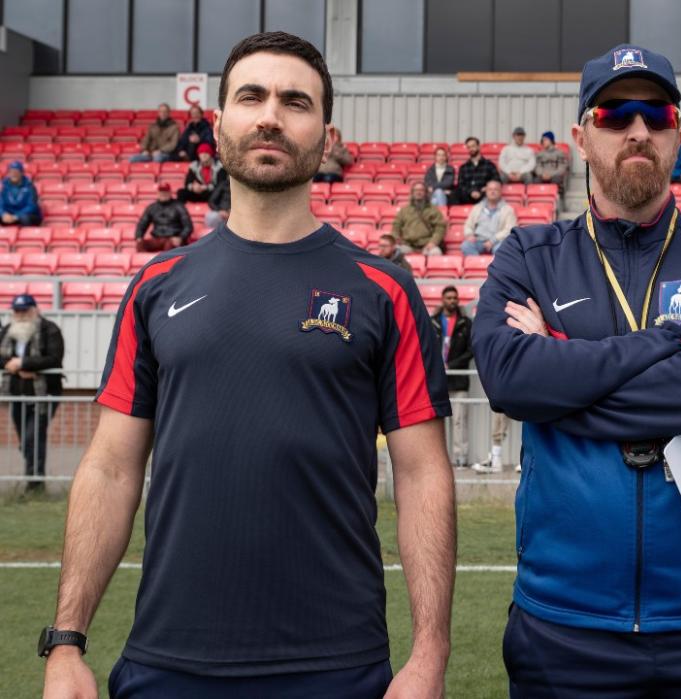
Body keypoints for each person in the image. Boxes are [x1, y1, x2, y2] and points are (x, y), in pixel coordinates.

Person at [41, 31, 455, 699]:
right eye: (251, 96)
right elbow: (111, 466)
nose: (270, 114)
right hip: (168, 661)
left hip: (338, 664)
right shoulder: (157, 286)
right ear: (219, 123)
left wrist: (430, 653)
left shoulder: (383, 289)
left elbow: (422, 471)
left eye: (296, 101)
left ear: (326, 134)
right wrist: (65, 642)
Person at [472, 44, 681, 697]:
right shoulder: (529, 254)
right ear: (582, 138)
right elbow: (508, 380)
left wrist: (560, 376)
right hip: (565, 624)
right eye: (616, 114)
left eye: (656, 113)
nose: (638, 130)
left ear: (679, 135)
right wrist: (665, 344)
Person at [0, 294, 63, 496]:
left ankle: (35, 483)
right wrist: (16, 367)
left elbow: (54, 358)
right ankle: (33, 479)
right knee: (26, 438)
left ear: (34, 310)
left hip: (44, 394)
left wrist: (24, 363)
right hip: (17, 393)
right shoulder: (8, 330)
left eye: (25, 310)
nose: (21, 314)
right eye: (17, 311)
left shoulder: (49, 329)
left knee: (32, 437)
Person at [431, 286, 473, 469]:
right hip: (437, 380)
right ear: (442, 299)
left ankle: (460, 458)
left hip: (459, 379)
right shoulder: (432, 322)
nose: (452, 301)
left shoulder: (465, 322)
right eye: (448, 298)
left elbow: (471, 350)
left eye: (455, 298)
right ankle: (436, 459)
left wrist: (452, 365)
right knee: (436, 423)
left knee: (459, 421)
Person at [461, 180, 515, 256]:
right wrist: (469, 234)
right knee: (466, 246)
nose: (492, 192)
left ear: (500, 192)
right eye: (490, 189)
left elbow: (510, 229)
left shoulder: (507, 209)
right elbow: (468, 224)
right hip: (479, 240)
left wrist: (493, 240)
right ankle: (478, 266)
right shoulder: (477, 207)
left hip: (497, 241)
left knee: (501, 248)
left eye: (495, 189)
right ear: (486, 191)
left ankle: (493, 267)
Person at [391, 182, 446, 255]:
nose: (418, 192)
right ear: (412, 193)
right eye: (416, 190)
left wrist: (433, 242)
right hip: (407, 245)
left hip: (427, 245)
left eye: (421, 190)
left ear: (426, 193)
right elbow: (396, 226)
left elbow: (440, 228)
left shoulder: (434, 210)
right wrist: (396, 238)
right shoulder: (404, 210)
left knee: (435, 253)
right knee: (394, 252)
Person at [134, 183, 193, 251]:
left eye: (165, 192)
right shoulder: (152, 207)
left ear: (170, 193)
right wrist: (138, 237)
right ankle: (147, 262)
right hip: (157, 238)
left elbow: (188, 226)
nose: (163, 194)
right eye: (161, 192)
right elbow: (142, 224)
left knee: (169, 245)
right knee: (140, 244)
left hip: (173, 238)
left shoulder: (179, 206)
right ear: (157, 193)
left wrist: (180, 237)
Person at [453, 136, 500, 205]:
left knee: (492, 193)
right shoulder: (463, 167)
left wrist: (487, 188)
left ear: (478, 146)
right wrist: (471, 192)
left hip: (484, 196)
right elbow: (461, 185)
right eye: (468, 147)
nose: (471, 149)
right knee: (455, 193)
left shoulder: (489, 165)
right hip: (468, 197)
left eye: (473, 146)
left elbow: (497, 181)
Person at [1, 161, 41, 226]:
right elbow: (1, 203)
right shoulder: (4, 186)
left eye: (16, 172)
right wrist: (3, 214)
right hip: (10, 214)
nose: (14, 174)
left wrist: (16, 216)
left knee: (24, 218)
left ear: (22, 173)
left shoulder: (30, 186)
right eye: (11, 172)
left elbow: (32, 206)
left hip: (27, 215)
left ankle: (28, 235)